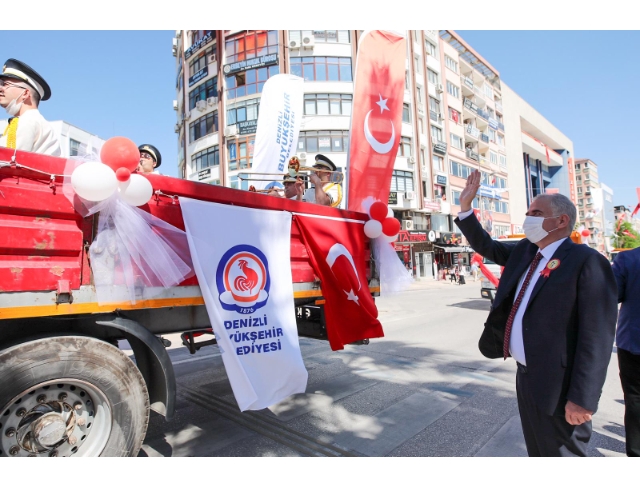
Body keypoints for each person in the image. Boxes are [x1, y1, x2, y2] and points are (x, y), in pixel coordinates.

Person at [455, 170, 617, 457]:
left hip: (561, 386)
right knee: (538, 452)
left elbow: (597, 338)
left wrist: (583, 399)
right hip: (527, 377)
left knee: (562, 456)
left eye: (536, 212)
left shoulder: (587, 262)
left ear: (561, 220)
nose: (528, 219)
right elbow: (487, 246)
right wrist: (466, 209)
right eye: (528, 212)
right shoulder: (526, 252)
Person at [611, 247, 640, 456]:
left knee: (635, 401)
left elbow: (611, 294)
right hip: (631, 342)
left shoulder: (629, 258)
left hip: (633, 342)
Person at [0, 58, 60, 156]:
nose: (1, 88)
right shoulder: (36, 121)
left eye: (5, 84)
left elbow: (6, 162)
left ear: (25, 93)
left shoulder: (26, 122)